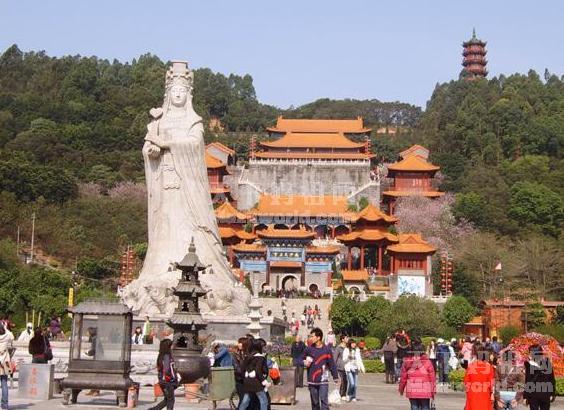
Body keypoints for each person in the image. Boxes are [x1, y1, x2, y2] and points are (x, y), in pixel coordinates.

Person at [303, 328, 339, 410]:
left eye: (312, 336)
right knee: (315, 403)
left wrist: (335, 376)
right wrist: (304, 362)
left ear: (318, 337)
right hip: (312, 380)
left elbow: (332, 363)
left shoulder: (327, 350)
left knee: (324, 401)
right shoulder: (308, 349)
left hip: (323, 379)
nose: (310, 338)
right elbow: (300, 358)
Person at [398, 337, 435, 410]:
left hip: (412, 389)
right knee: (425, 407)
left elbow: (403, 378)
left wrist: (401, 389)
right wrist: (433, 391)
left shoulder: (407, 362)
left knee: (414, 406)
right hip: (425, 390)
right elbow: (432, 378)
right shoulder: (428, 362)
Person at [149, 339, 180, 410]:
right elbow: (167, 370)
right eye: (171, 346)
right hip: (167, 381)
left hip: (162, 381)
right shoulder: (167, 356)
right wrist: (173, 378)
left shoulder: (161, 356)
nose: (172, 347)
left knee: (167, 399)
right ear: (168, 347)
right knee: (171, 400)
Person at [523, 344, 556, 410]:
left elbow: (528, 381)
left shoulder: (529, 365)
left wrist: (525, 397)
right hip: (543, 394)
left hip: (535, 394)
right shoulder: (547, 364)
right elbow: (552, 380)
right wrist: (552, 394)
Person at [240, 338, 269, 410]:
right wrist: (264, 381)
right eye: (263, 346)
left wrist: (245, 378)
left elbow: (242, 369)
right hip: (256, 382)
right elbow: (258, 371)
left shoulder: (248, 356)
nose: (264, 348)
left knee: (245, 401)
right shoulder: (260, 357)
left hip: (247, 381)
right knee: (264, 400)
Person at [463, 342, 495, 410]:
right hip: (485, 393)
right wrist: (492, 393)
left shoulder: (471, 366)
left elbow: (466, 382)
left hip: (473, 393)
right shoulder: (489, 366)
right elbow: (491, 383)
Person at [0, 324, 14, 410]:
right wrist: (5, 327)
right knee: (4, 383)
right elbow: (12, 336)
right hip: (5, 360)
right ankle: (5, 404)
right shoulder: (7, 336)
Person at [233, 337, 250, 403]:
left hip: (249, 380)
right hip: (240, 379)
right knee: (243, 399)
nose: (239, 344)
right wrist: (245, 372)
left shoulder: (248, 354)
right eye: (239, 343)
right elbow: (237, 368)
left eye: (240, 343)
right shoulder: (236, 355)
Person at [333, 334, 349, 400]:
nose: (347, 339)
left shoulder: (347, 347)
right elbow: (335, 358)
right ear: (342, 339)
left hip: (347, 367)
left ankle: (344, 394)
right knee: (342, 381)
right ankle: (342, 395)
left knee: (346, 381)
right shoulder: (338, 348)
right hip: (340, 367)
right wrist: (333, 368)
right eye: (346, 338)